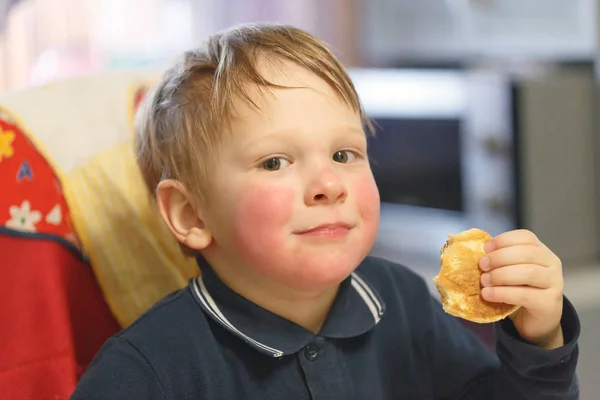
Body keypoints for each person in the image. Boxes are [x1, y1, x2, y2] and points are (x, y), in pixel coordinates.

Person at [71, 23, 580, 399]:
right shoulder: (149, 370)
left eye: (344, 154)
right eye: (275, 161)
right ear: (191, 214)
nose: (329, 184)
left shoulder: (401, 300)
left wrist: (541, 339)